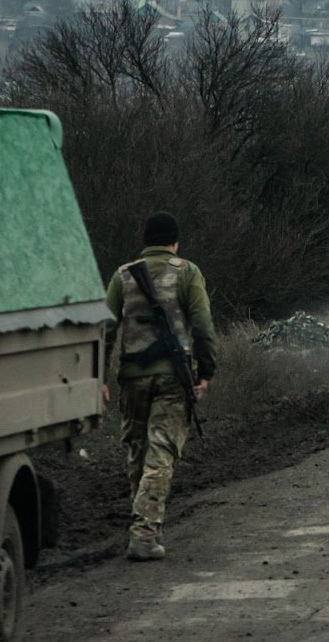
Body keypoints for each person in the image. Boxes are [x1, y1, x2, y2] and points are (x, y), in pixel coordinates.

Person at [103, 211, 217, 561]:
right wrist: (206, 370)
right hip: (171, 378)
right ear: (174, 242)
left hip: (132, 379)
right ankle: (144, 534)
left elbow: (105, 329)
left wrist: (96, 378)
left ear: (145, 241)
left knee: (138, 452)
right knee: (161, 453)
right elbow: (202, 325)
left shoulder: (122, 276)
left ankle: (143, 526)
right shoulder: (188, 272)